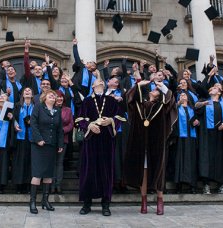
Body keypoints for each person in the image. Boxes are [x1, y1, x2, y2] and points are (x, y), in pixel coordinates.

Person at [124, 79, 176, 215]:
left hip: (157, 143)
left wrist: (162, 86)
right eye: (152, 89)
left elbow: (171, 100)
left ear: (158, 95)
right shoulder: (140, 106)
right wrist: (138, 85)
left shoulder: (161, 107)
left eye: (155, 90)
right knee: (144, 173)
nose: (152, 90)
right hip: (142, 143)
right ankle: (144, 202)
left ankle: (160, 201)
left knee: (159, 172)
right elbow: (129, 98)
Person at [76, 79, 124, 216]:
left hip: (107, 141)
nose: (100, 84)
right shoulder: (87, 101)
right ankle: (86, 204)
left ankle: (105, 204)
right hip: (91, 141)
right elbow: (79, 119)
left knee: (106, 171)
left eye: (102, 83)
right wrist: (89, 125)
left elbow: (120, 117)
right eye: (97, 83)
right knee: (88, 171)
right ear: (92, 86)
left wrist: (111, 121)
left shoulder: (112, 101)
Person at [29, 89, 64, 214]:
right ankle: (32, 202)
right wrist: (38, 139)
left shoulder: (58, 111)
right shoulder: (38, 107)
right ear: (44, 97)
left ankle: (45, 200)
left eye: (54, 96)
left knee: (48, 175)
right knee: (37, 173)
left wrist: (60, 144)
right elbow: (33, 123)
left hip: (51, 145)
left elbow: (60, 129)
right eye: (50, 95)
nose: (53, 97)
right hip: (39, 145)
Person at [195, 86, 223, 195]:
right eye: (211, 88)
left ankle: (221, 185)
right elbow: (196, 107)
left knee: (220, 158)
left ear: (220, 92)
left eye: (215, 88)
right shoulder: (205, 101)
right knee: (206, 157)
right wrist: (203, 104)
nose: (212, 89)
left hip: (220, 135)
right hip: (206, 134)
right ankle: (206, 184)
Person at [173, 92, 199, 194]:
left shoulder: (192, 109)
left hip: (191, 137)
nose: (183, 96)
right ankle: (179, 185)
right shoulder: (176, 108)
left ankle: (192, 185)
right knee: (180, 159)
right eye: (181, 95)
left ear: (188, 98)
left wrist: (197, 122)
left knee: (191, 160)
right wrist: (178, 103)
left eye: (185, 95)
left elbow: (196, 120)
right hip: (180, 137)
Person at [12, 87, 34, 193]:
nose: (27, 92)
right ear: (22, 94)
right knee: (19, 162)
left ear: (32, 94)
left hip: (32, 138)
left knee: (30, 162)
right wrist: (15, 125)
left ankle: (29, 185)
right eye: (25, 91)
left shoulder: (36, 106)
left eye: (29, 91)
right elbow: (13, 119)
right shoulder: (17, 106)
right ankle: (19, 186)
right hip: (20, 137)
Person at [53, 90, 73, 194]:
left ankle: (58, 185)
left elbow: (70, 124)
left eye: (61, 97)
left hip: (63, 139)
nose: (60, 99)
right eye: (57, 97)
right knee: (51, 162)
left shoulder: (68, 110)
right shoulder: (49, 109)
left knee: (59, 163)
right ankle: (51, 185)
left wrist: (63, 130)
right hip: (51, 139)